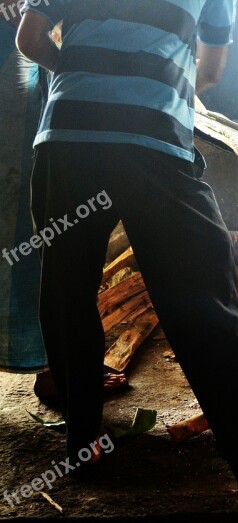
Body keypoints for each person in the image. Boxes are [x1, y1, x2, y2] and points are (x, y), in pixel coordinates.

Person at [16, 0, 238, 503]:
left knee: (66, 294)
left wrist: (88, 77)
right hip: (152, 147)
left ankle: (83, 443)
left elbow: (29, 39)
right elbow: (210, 72)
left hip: (66, 139)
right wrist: (159, 90)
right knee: (206, 305)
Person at [0, 3, 127, 401]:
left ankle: (60, 362)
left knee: (30, 207)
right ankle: (57, 367)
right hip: (11, 52)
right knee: (22, 204)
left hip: (20, 42)